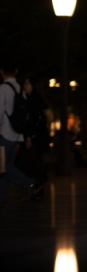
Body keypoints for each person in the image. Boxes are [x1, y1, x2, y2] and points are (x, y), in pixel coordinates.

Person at [0, 59, 36, 203]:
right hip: (16, 135)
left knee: (4, 166)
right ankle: (1, 196)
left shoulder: (2, 89)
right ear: (16, 71)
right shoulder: (21, 91)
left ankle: (28, 183)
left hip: (3, 134)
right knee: (3, 167)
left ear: (1, 72)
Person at [21, 76, 49, 199]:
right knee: (37, 163)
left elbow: (32, 120)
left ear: (33, 86)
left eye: (27, 84)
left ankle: (35, 188)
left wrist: (28, 136)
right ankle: (38, 189)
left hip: (35, 137)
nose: (24, 86)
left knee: (29, 163)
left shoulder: (32, 101)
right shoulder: (37, 100)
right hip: (39, 137)